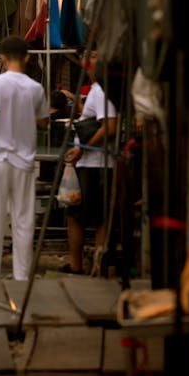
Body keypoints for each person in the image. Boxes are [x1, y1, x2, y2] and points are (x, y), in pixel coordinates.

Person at [0, 36, 49, 281]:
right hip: (24, 161)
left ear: (3, 58)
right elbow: (44, 122)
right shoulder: (35, 88)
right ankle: (21, 276)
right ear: (28, 58)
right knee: (23, 220)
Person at [63, 49, 117, 274]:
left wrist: (82, 150)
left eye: (94, 55)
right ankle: (88, 264)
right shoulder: (96, 89)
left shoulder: (104, 90)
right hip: (89, 162)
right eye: (87, 55)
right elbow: (92, 118)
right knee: (78, 214)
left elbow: (110, 127)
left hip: (96, 164)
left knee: (87, 217)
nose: (87, 60)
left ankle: (92, 265)